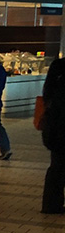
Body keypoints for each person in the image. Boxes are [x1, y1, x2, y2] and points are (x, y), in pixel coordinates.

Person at [41, 58, 65, 214]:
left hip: (55, 131)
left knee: (57, 167)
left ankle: (51, 204)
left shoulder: (52, 90)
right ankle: (52, 204)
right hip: (60, 131)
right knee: (58, 168)